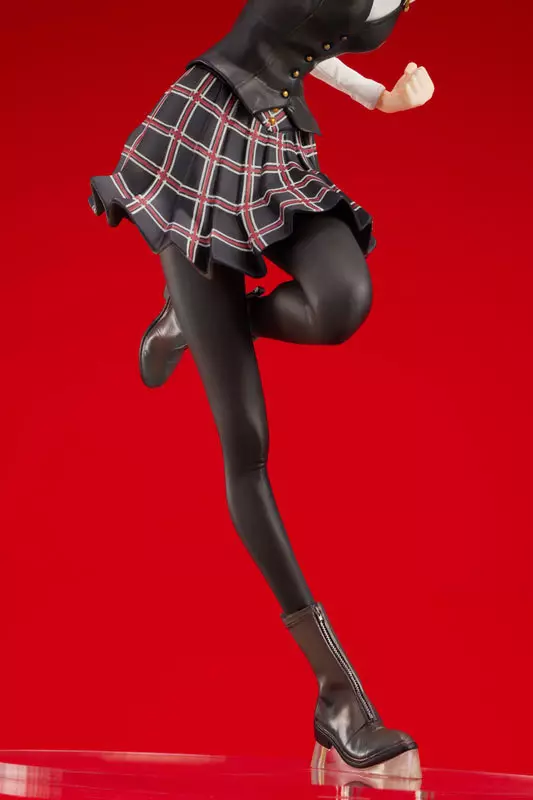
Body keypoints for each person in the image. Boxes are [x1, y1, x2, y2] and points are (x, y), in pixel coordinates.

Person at [89, 0, 434, 778]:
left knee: (341, 302)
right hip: (202, 137)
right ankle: (338, 695)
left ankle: (194, 323)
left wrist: (377, 98)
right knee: (246, 447)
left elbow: (309, 42)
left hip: (277, 145)